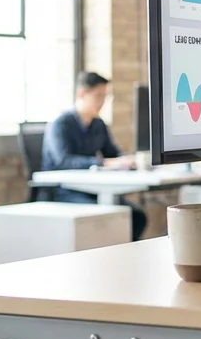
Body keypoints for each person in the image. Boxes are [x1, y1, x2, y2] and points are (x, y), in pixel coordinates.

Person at [42, 71, 146, 241]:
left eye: (105, 96)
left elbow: (113, 153)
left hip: (93, 189)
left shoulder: (98, 124)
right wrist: (104, 163)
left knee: (137, 217)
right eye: (98, 96)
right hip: (64, 190)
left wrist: (126, 161)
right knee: (107, 217)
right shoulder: (60, 124)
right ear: (81, 94)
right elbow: (64, 160)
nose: (102, 102)